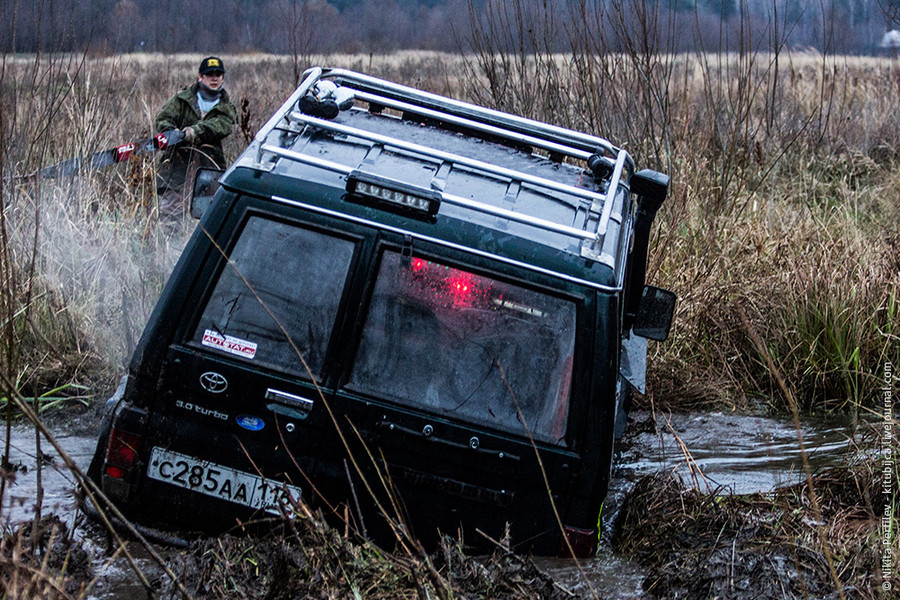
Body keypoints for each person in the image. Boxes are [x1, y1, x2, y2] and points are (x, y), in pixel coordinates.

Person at [154, 56, 237, 220]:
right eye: (209, 74)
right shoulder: (182, 99)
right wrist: (171, 132)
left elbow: (221, 126)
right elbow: (162, 118)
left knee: (207, 215)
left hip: (209, 167)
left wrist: (193, 132)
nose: (214, 78)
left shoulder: (226, 107)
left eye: (218, 74)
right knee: (170, 213)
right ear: (200, 77)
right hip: (177, 165)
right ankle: (169, 245)